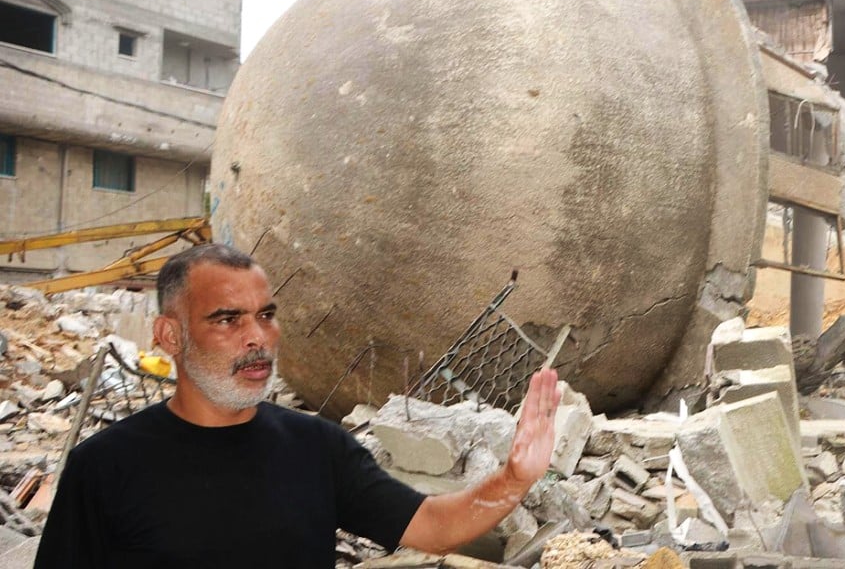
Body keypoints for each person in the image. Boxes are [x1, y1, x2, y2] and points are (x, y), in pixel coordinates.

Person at [34, 243, 561, 569]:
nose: (257, 337)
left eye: (266, 315)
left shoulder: (317, 448)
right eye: (227, 319)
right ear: (169, 335)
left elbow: (433, 527)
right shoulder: (103, 468)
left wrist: (515, 478)